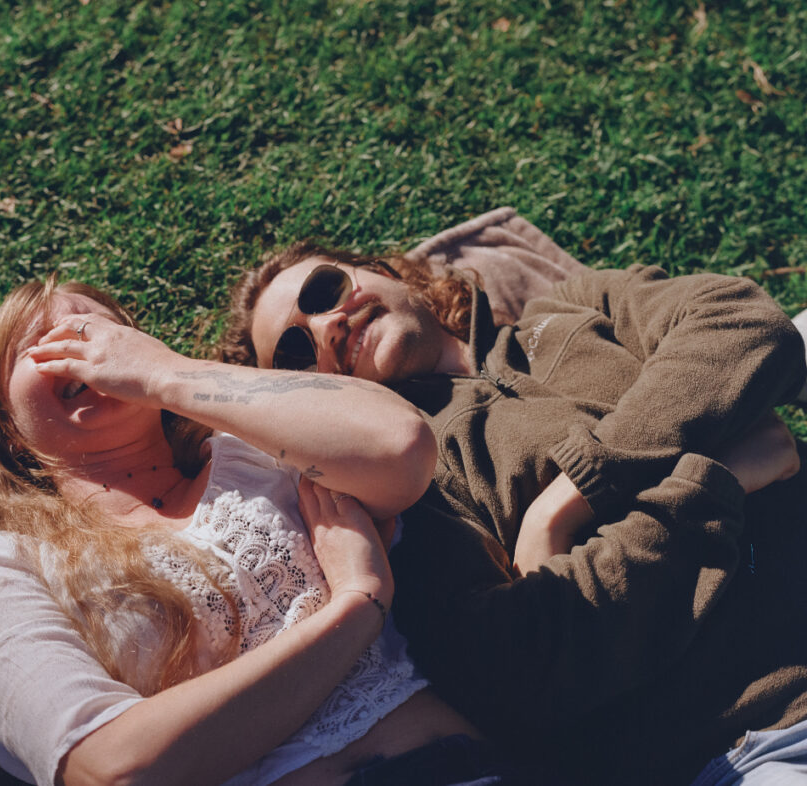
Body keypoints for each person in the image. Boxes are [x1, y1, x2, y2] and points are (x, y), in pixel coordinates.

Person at [0, 274, 583, 786]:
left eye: (97, 331)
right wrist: (352, 610)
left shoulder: (254, 449)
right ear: (7, 425)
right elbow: (116, 770)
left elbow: (400, 449)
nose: (75, 346)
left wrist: (165, 374)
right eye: (36, 347)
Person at [220, 240, 807, 785]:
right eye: (296, 351)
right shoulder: (414, 500)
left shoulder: (570, 305)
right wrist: (716, 479)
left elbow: (744, 322)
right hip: (762, 732)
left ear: (381, 272)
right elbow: (526, 664)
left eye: (322, 291)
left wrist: (569, 500)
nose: (330, 324)